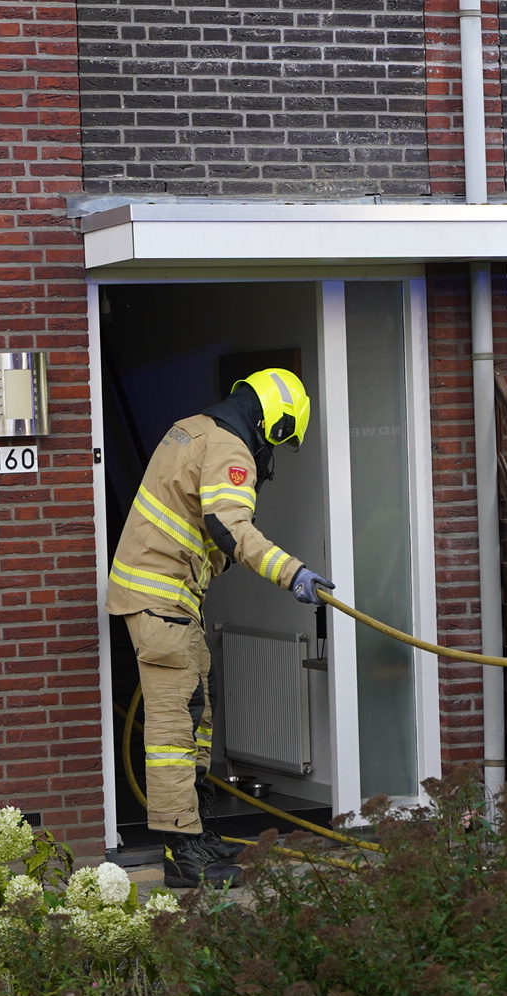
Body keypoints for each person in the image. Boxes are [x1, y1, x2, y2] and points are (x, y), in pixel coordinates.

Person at [107, 368, 336, 889]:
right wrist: (291, 572)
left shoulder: (191, 428)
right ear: (274, 427)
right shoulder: (232, 450)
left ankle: (198, 833)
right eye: (282, 440)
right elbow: (230, 528)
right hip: (162, 600)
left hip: (164, 599)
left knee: (194, 716)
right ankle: (183, 853)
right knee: (174, 732)